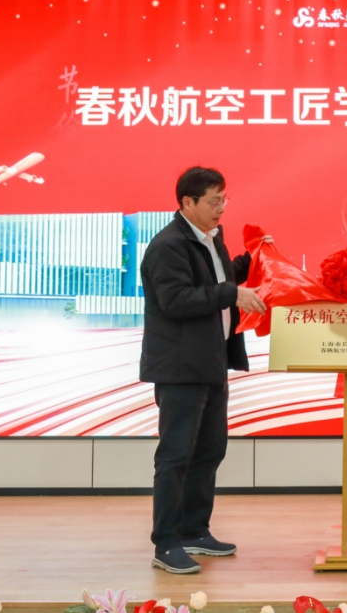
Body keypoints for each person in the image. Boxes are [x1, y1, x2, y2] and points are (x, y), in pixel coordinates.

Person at [139, 166, 268, 574]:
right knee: (175, 456)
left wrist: (252, 260)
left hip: (211, 363)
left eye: (224, 199)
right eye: (214, 201)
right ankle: (166, 543)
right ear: (187, 203)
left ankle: (195, 530)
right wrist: (232, 293)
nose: (221, 208)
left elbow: (219, 279)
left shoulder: (211, 238)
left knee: (210, 450)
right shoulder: (168, 246)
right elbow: (177, 300)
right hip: (180, 368)